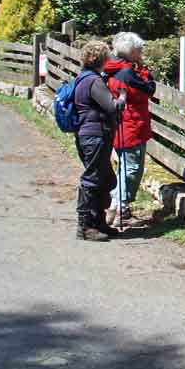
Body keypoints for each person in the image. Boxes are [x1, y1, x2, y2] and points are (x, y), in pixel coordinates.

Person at [73, 40, 126, 242]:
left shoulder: (82, 78)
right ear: (101, 59)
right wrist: (122, 97)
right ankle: (85, 227)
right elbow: (112, 106)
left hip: (88, 134)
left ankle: (98, 222)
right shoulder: (93, 81)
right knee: (93, 178)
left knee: (104, 178)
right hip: (95, 134)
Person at [105, 32, 156, 228]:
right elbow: (149, 89)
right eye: (140, 49)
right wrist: (144, 69)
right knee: (132, 169)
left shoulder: (111, 68)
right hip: (131, 126)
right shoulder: (127, 73)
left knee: (124, 168)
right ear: (132, 51)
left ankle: (118, 208)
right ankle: (118, 207)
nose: (142, 52)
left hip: (119, 125)